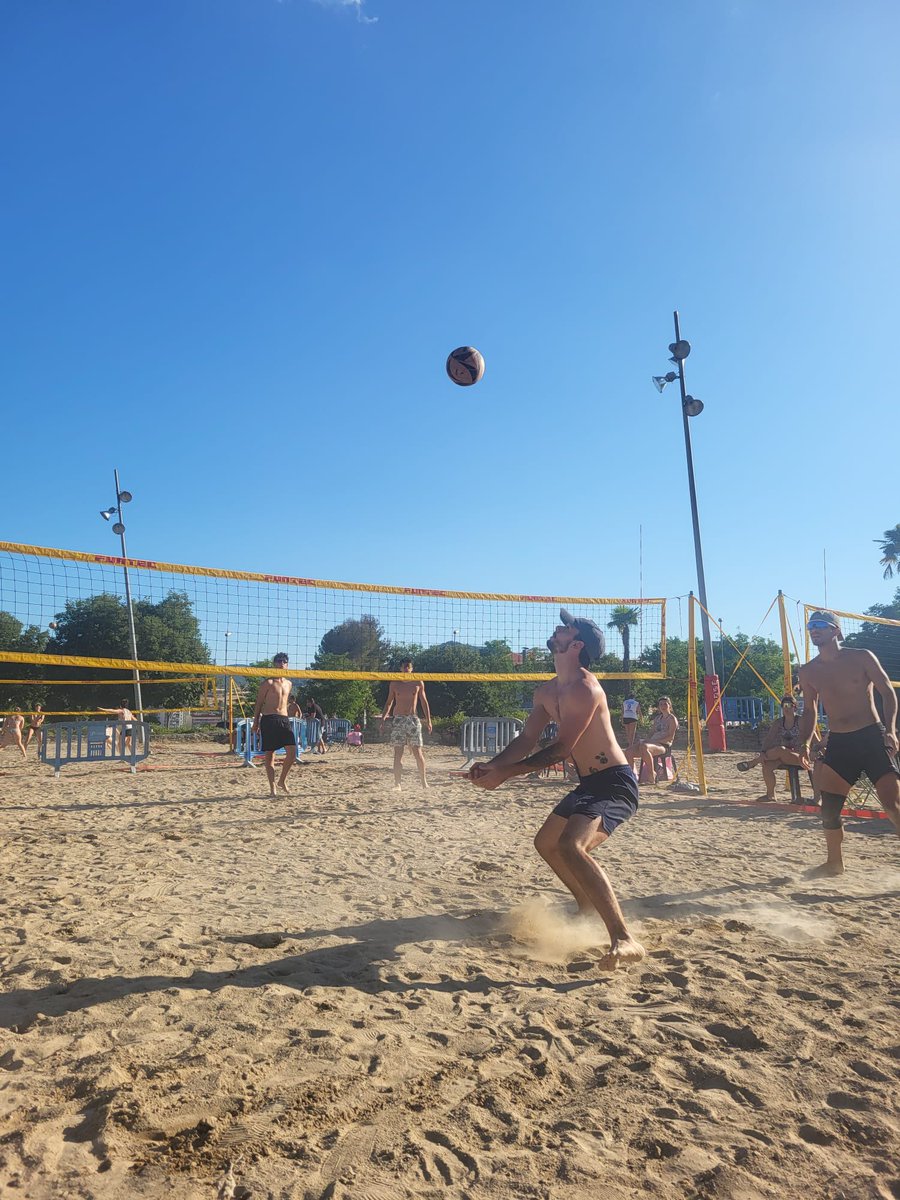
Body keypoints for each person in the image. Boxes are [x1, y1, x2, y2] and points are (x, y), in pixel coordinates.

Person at [468, 609, 644, 970]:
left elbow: (561, 750)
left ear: (576, 644)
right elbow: (527, 739)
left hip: (615, 783)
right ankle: (586, 907)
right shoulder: (547, 690)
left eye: (567, 627)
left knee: (570, 846)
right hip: (590, 783)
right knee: (546, 844)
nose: (558, 627)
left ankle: (624, 938)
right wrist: (493, 765)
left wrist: (507, 775)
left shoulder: (584, 687)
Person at [798, 610, 900, 876]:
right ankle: (834, 864)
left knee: (893, 805)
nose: (814, 629)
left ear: (836, 631)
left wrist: (890, 730)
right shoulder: (808, 671)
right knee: (829, 810)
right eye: (811, 626)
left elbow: (888, 693)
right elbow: (809, 711)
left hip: (871, 737)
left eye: (820, 625)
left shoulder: (861, 657)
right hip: (840, 742)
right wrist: (805, 743)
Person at [736, 695, 818, 801]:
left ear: (795, 707)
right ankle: (771, 795)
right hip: (782, 756)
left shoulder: (801, 722)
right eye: (784, 706)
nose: (786, 708)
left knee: (780, 750)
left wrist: (817, 751)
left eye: (789, 705)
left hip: (800, 756)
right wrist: (762, 752)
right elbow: (769, 739)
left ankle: (753, 762)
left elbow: (815, 739)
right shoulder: (778, 723)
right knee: (767, 765)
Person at [380, 659, 432, 790]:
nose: (406, 669)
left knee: (417, 752)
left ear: (412, 668)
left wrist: (429, 721)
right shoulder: (395, 683)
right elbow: (389, 702)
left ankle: (424, 782)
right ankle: (397, 784)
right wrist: (383, 719)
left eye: (408, 667)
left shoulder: (418, 682)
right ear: (400, 668)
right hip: (398, 719)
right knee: (398, 753)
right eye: (404, 667)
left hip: (413, 719)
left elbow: (424, 702)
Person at [252, 653, 297, 797]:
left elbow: (286, 702)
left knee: (292, 753)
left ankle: (282, 781)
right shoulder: (268, 683)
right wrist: (255, 722)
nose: (281, 663)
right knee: (270, 754)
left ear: (287, 664)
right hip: (269, 719)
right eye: (278, 661)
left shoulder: (289, 683)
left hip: (284, 719)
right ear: (274, 664)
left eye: (284, 661)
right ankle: (272, 788)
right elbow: (259, 703)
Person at [627, 696, 678, 785]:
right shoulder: (658, 718)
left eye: (665, 704)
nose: (663, 706)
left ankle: (651, 775)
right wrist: (646, 740)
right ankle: (632, 775)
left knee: (645, 747)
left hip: (663, 745)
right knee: (629, 751)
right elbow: (652, 732)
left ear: (669, 705)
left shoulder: (672, 719)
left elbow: (670, 737)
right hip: (652, 743)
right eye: (661, 704)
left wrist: (654, 741)